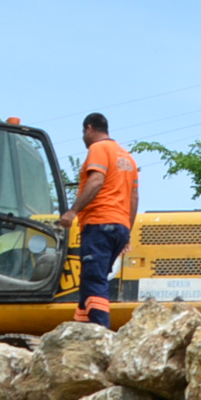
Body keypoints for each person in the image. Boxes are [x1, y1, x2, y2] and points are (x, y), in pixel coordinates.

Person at [72, 113, 140, 326]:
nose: (84, 138)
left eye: (84, 133)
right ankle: (82, 327)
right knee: (91, 278)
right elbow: (134, 197)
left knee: (94, 279)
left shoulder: (98, 149)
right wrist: (127, 230)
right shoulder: (127, 157)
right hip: (119, 226)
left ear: (89, 128)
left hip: (99, 222)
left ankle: (100, 331)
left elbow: (96, 180)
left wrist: (72, 211)